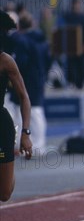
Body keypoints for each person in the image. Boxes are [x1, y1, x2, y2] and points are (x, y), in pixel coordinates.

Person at [8, 11, 51, 154]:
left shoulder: (21, 40)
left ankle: (31, 146)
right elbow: (49, 59)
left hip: (27, 79)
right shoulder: (41, 39)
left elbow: (21, 62)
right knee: (35, 112)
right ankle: (38, 145)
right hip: (37, 78)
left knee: (28, 112)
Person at [0, 10, 32, 202]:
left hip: (1, 127)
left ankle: (7, 174)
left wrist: (25, 133)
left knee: (3, 194)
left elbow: (24, 97)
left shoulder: (5, 61)